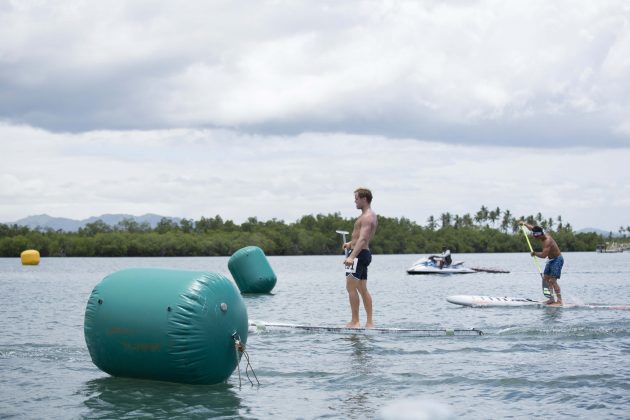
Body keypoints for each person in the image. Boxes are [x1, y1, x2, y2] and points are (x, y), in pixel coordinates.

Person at [342, 187, 378, 328]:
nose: (355, 201)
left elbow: (363, 239)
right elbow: (361, 238)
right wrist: (350, 243)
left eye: (356, 198)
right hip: (362, 254)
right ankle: (369, 323)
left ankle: (355, 321)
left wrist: (351, 256)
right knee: (362, 288)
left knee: (350, 287)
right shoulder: (369, 215)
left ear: (364, 199)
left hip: (359, 255)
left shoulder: (368, 216)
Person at [520, 221, 564, 305]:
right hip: (550, 260)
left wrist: (535, 254)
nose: (535, 237)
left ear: (540, 234)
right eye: (534, 235)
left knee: (552, 281)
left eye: (536, 235)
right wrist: (524, 224)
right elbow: (532, 228)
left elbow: (544, 255)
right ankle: (551, 299)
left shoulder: (548, 241)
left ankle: (559, 301)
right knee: (545, 279)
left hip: (557, 260)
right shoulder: (539, 231)